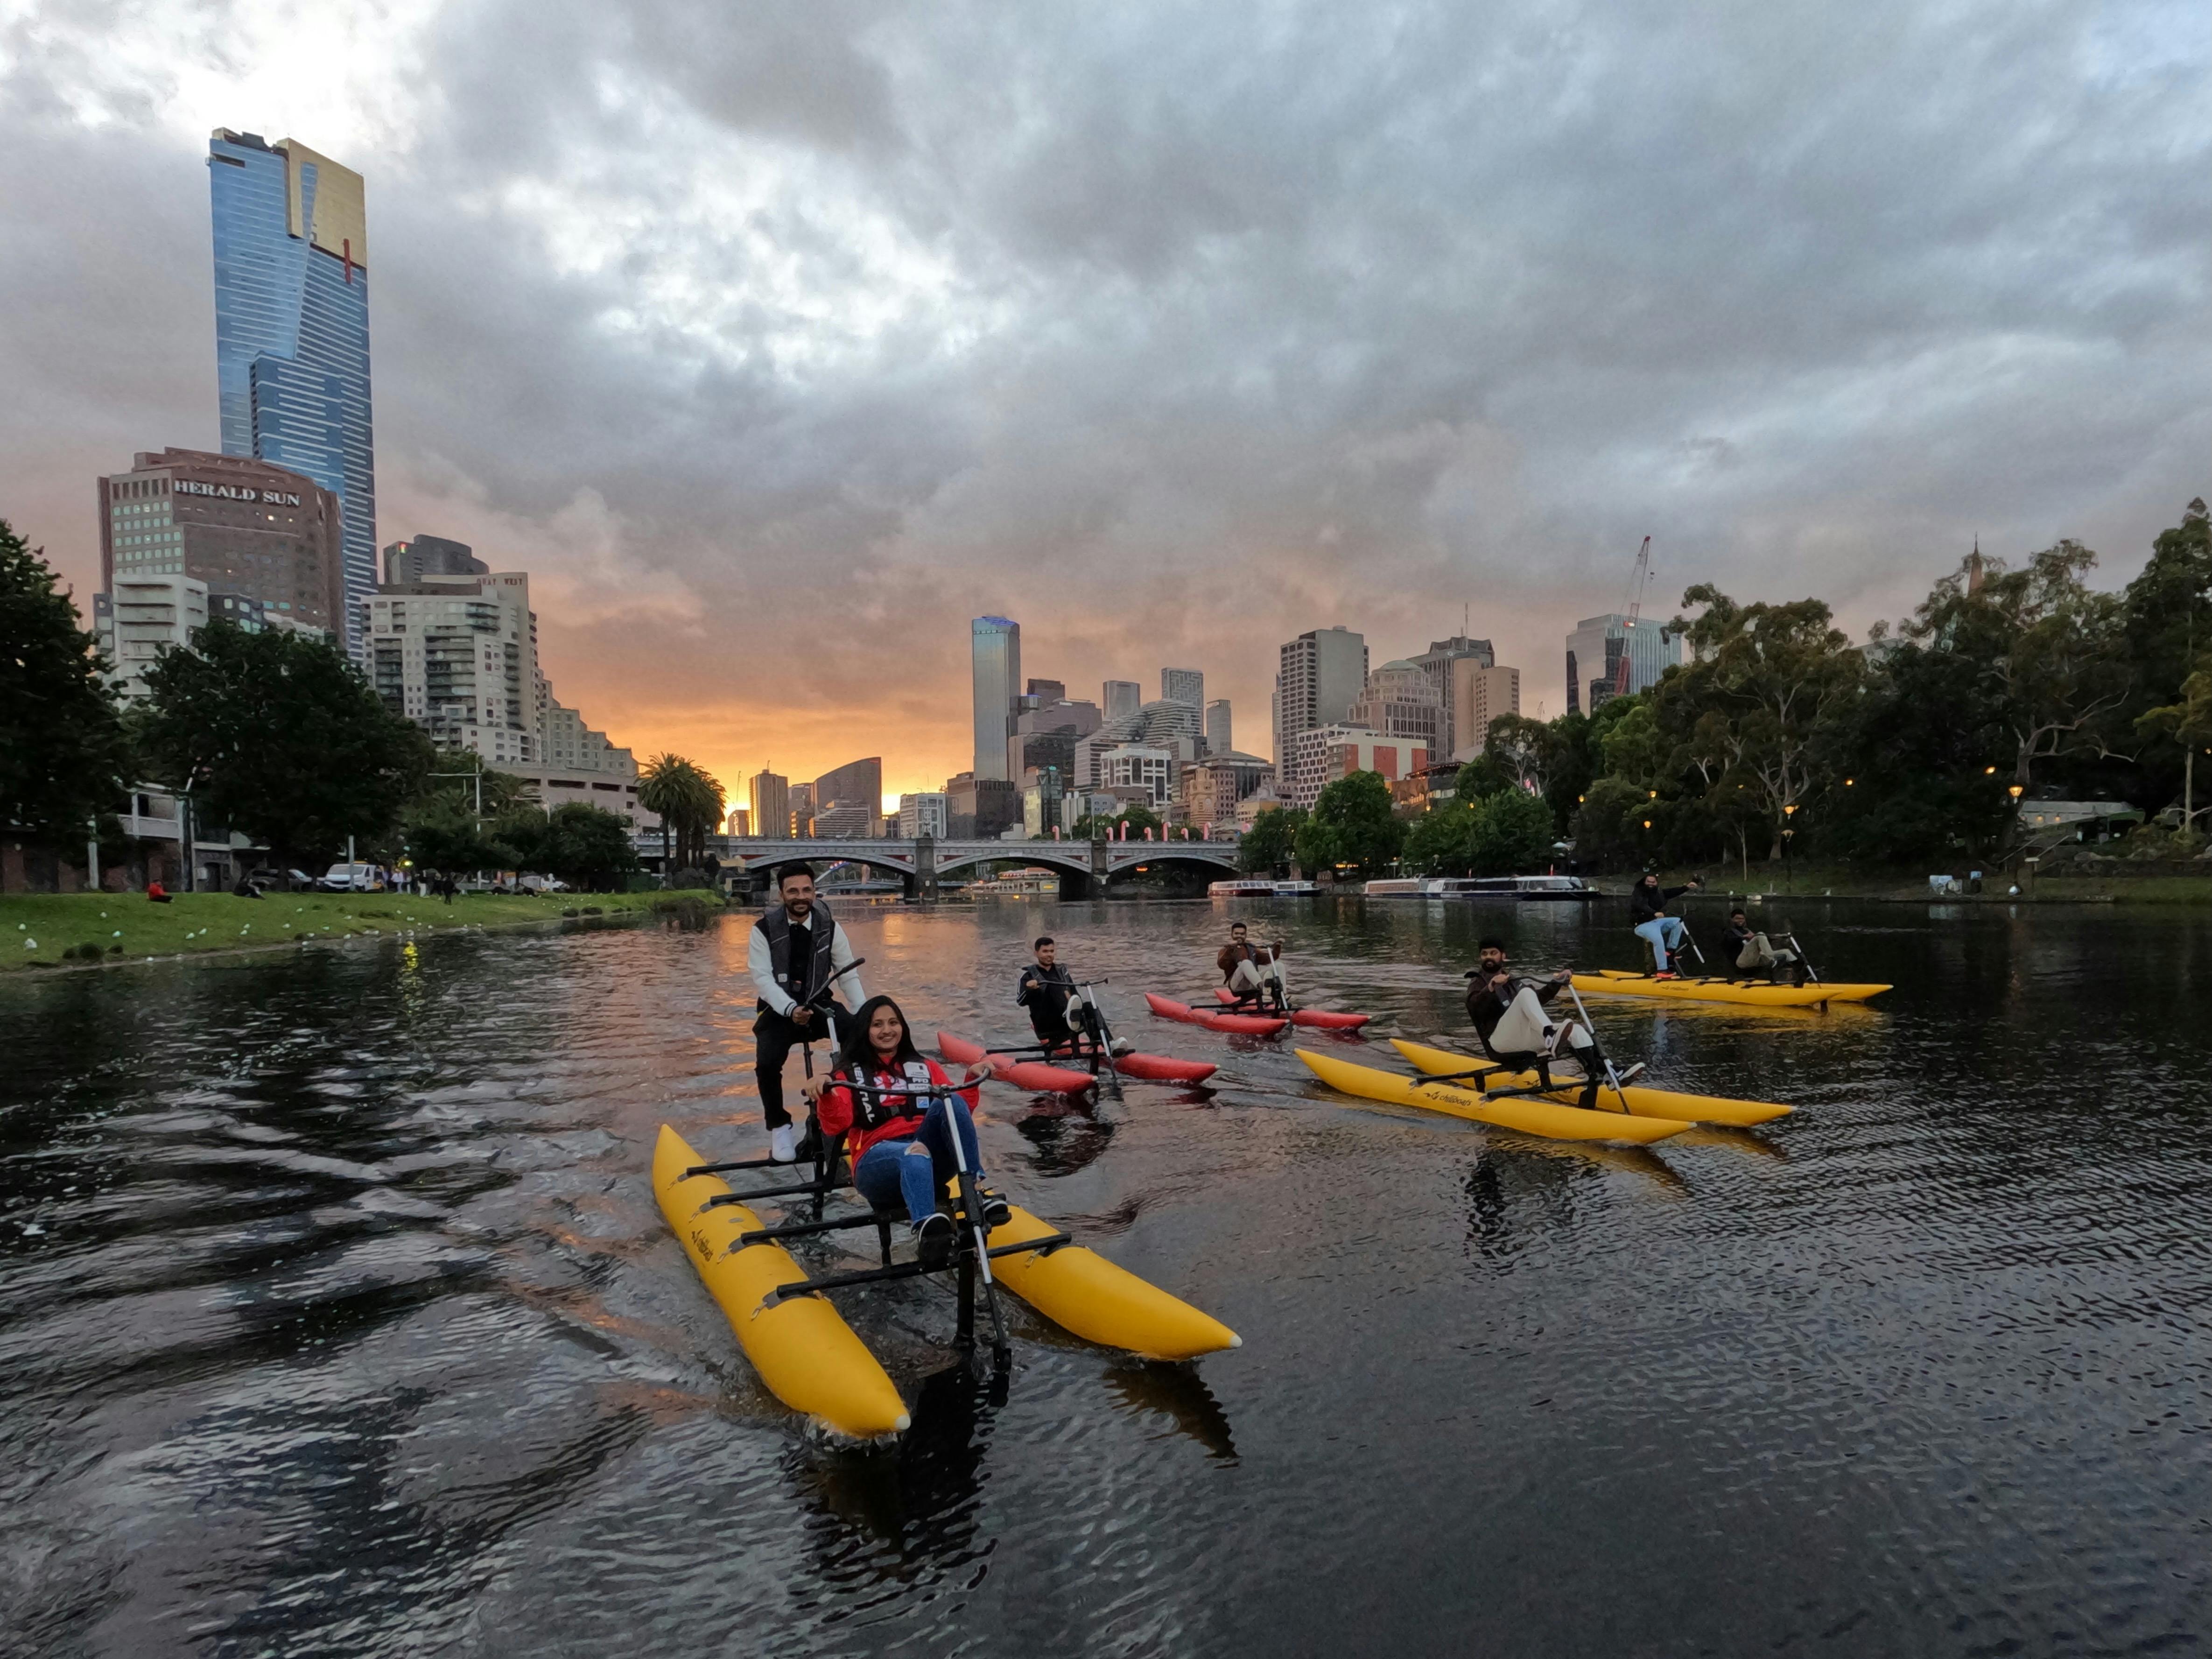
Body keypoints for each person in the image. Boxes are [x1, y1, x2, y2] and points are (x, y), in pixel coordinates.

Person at [804, 996, 1006, 1269]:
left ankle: (977, 1193)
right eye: (877, 1025)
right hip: (876, 1162)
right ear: (865, 1030)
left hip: (926, 1154)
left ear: (903, 1027)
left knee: (951, 1100)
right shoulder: (847, 1075)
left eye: (893, 1023)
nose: (887, 1030)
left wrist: (971, 1079)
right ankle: (927, 1228)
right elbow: (835, 1124)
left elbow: (958, 1116)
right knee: (915, 1153)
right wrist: (825, 1092)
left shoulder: (926, 1066)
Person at [749, 864, 865, 1164]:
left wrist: (865, 1013)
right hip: (779, 1009)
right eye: (793, 891)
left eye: (807, 890)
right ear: (781, 894)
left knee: (860, 1040)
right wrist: (789, 1008)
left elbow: (847, 974)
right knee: (767, 1062)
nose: (801, 897)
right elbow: (762, 978)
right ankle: (779, 1126)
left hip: (820, 1004)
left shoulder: (832, 927)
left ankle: (857, 1114)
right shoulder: (762, 930)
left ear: (814, 892)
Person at [1463, 938, 1634, 1110]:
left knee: (1577, 1031)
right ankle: (1549, 1035)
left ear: (1503, 956)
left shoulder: (1513, 981)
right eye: (1484, 954)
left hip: (1520, 1039)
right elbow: (1473, 1006)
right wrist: (1491, 987)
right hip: (1498, 1043)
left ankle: (1608, 1072)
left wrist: (1556, 983)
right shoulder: (1477, 982)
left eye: (1493, 953)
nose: (1489, 957)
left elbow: (1537, 1000)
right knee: (1526, 994)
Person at [1629, 872, 1703, 979]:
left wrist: (1686, 888)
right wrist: (1654, 913)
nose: (1651, 884)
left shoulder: (1658, 893)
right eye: (1648, 882)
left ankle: (1670, 951)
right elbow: (1641, 905)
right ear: (1644, 882)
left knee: (1677, 922)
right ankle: (1662, 971)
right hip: (1642, 925)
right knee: (1659, 941)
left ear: (1656, 883)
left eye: (1653, 882)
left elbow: (1670, 892)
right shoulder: (1638, 893)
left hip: (1656, 923)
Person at [1017, 935, 1080, 1054]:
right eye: (1045, 952)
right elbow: (1020, 1002)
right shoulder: (1028, 976)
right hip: (1046, 1024)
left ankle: (1107, 1043)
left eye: (1052, 951)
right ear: (1036, 953)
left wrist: (1071, 1000)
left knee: (1089, 1009)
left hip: (1067, 1022)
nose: (1049, 955)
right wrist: (1030, 989)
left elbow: (1076, 996)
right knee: (1051, 986)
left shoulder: (1063, 972)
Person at [1721, 907, 1808, 984]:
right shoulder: (1729, 932)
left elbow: (1761, 939)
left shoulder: (1746, 931)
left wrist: (1777, 937)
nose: (1740, 921)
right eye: (1737, 919)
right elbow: (1730, 940)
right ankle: (1773, 959)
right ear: (1732, 920)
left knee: (1786, 952)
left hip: (1755, 959)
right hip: (1740, 962)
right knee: (1760, 935)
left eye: (1742, 919)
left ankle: (1799, 972)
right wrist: (1744, 937)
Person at [1217, 921, 1287, 1012]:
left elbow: (1270, 958)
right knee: (1246, 963)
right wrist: (1231, 951)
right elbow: (1221, 964)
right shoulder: (1227, 950)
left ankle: (1282, 997)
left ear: (1246, 935)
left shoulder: (1251, 949)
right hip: (1238, 984)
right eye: (1236, 934)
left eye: (1242, 934)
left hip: (1253, 983)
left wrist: (1277, 947)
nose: (1239, 936)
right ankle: (1263, 987)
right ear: (1232, 935)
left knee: (1279, 966)